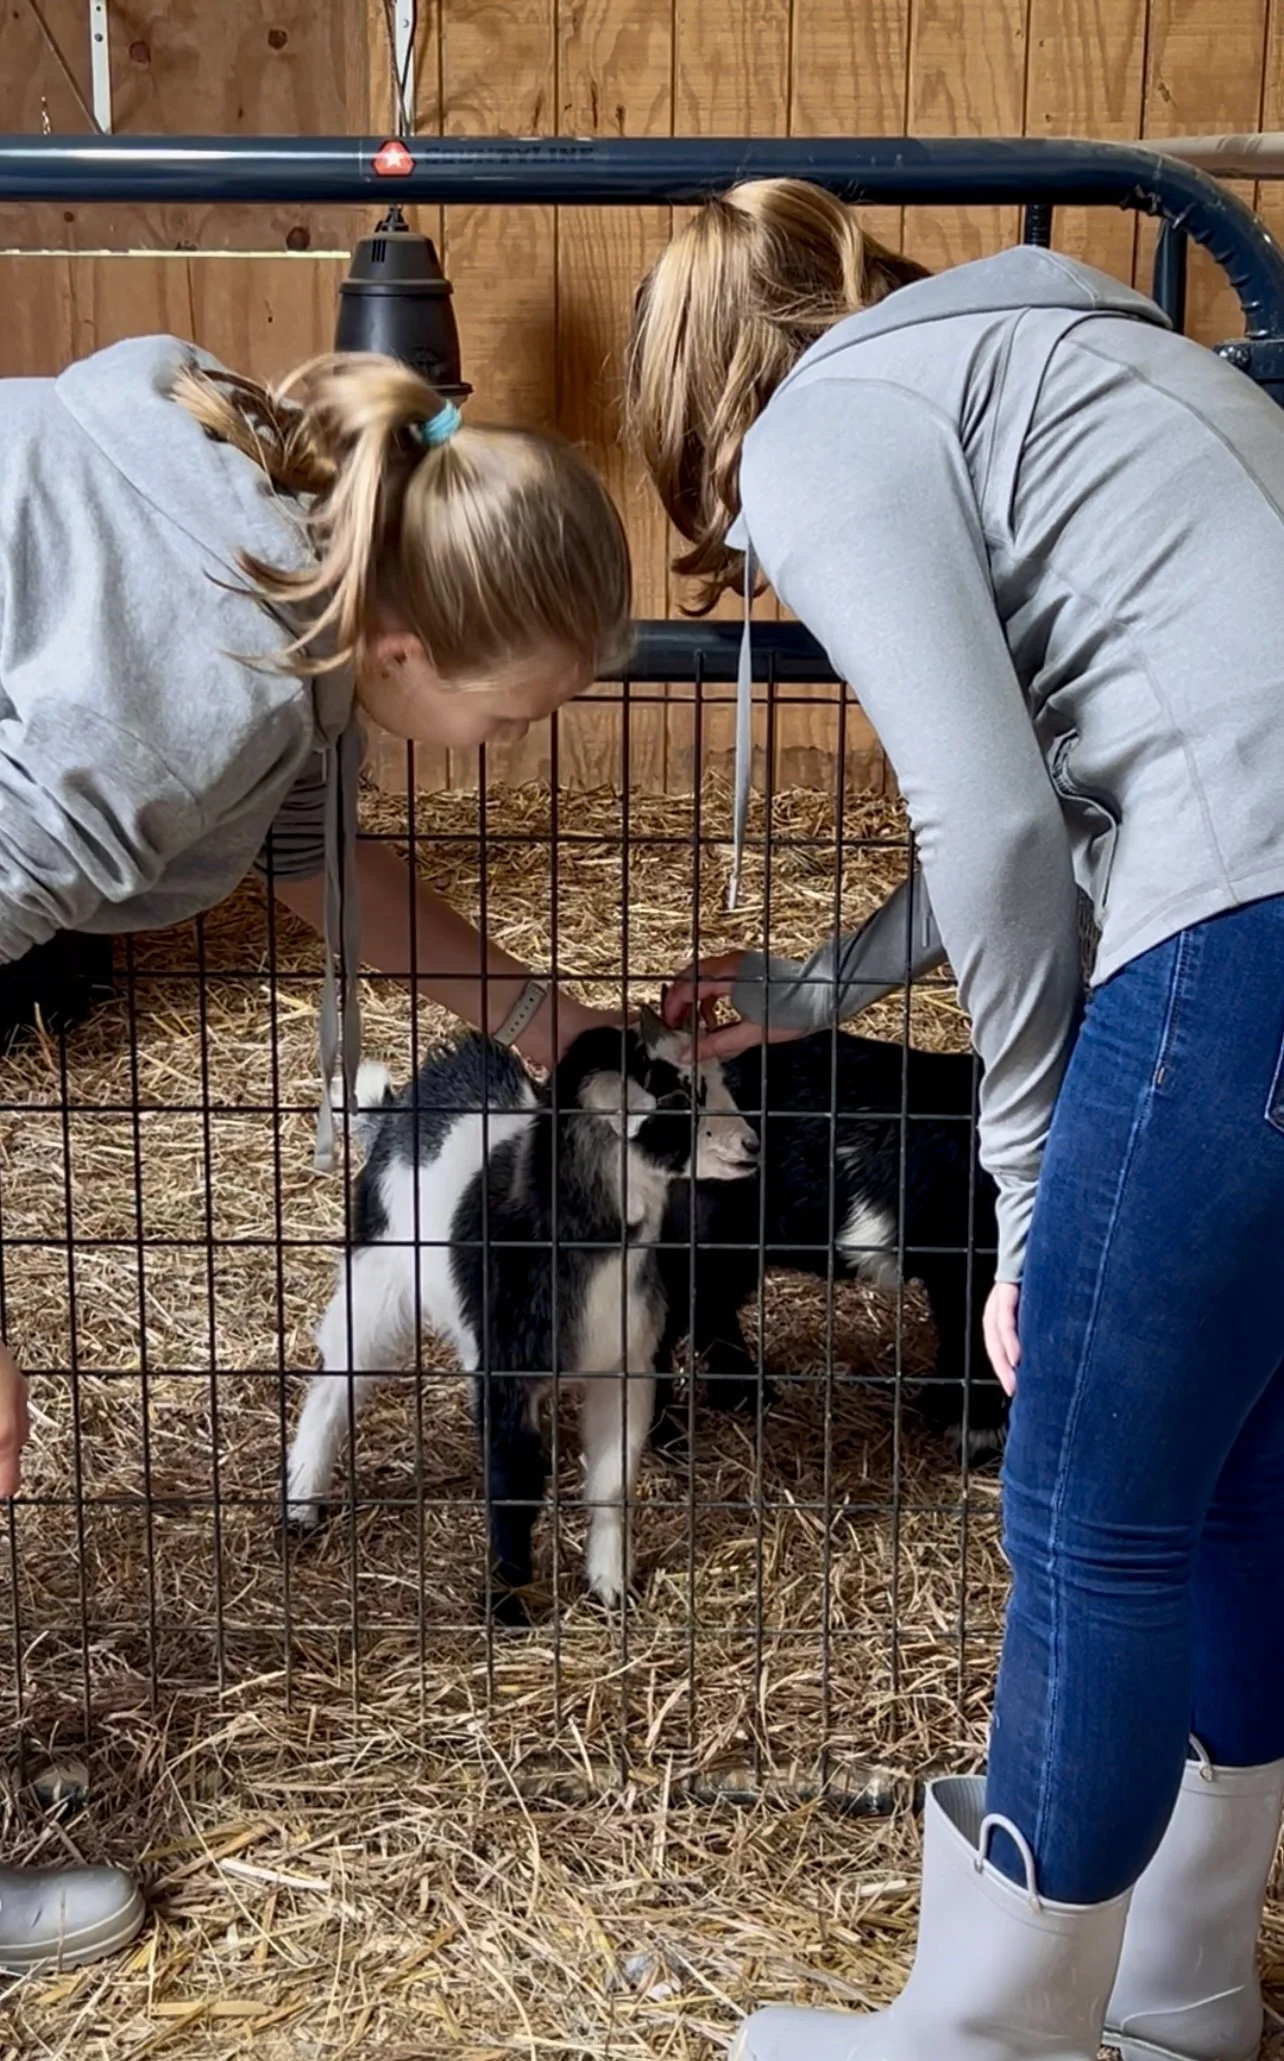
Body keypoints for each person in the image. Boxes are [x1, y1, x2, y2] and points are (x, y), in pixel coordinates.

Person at [629, 178, 1284, 2061]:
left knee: (1082, 1512)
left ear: (715, 415)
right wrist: (815, 994)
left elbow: (998, 833)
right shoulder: (1067, 352)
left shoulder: (822, 426)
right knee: (1232, 1472)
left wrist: (1020, 1179)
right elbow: (1086, 781)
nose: (753, 559)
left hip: (1243, 924)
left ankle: (985, 2038)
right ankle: (1184, 1988)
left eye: (730, 542)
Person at [0, 336, 631, 1973]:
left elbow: (314, 861)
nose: (515, 745)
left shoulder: (300, 577)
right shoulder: (189, 702)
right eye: (516, 716)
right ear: (414, 647)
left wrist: (558, 1026)